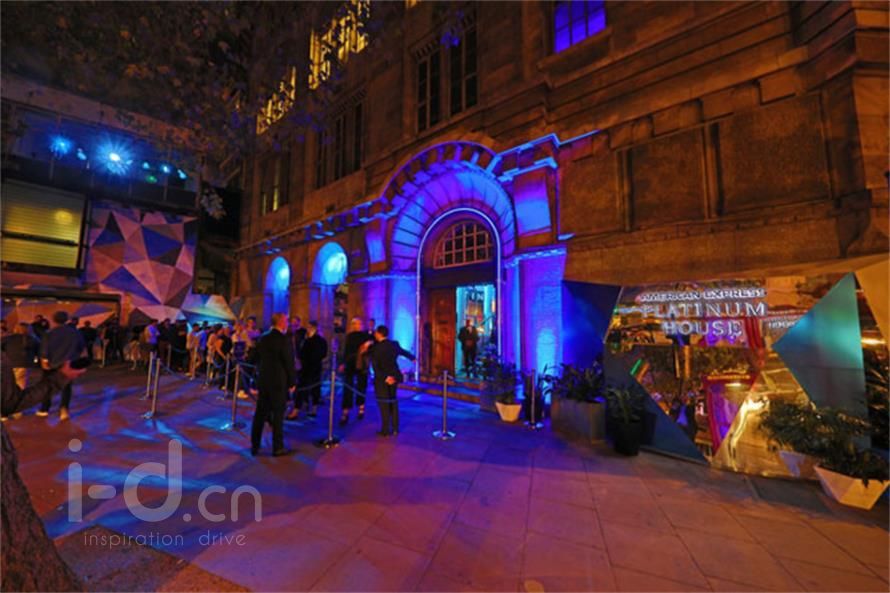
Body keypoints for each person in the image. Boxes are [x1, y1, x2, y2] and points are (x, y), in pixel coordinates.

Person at [250, 312, 296, 456]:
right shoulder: (283, 339)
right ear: (281, 322)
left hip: (264, 380)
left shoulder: (263, 338)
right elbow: (288, 362)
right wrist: (292, 382)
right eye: (286, 320)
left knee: (260, 413)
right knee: (278, 415)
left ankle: (255, 445)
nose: (287, 323)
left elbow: (255, 357)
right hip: (278, 382)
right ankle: (277, 447)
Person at [367, 325, 415, 437]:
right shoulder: (394, 344)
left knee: (384, 404)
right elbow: (403, 352)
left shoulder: (375, 348)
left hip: (382, 379)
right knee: (393, 401)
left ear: (379, 334)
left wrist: (385, 377)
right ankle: (395, 428)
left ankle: (385, 430)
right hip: (394, 376)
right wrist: (412, 358)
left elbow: (376, 367)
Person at [38, 311, 86, 421]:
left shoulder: (49, 333)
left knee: (48, 386)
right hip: (69, 363)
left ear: (53, 319)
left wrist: (44, 362)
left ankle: (44, 409)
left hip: (52, 364)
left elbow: (44, 350)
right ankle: (64, 409)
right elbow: (81, 347)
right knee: (66, 387)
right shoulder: (75, 333)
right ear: (67, 319)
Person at [1, 323, 41, 416]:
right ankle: (16, 411)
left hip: (8, 364)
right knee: (20, 387)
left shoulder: (8, 338)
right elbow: (39, 350)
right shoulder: (31, 339)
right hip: (23, 364)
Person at [339, 318, 373, 425]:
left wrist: (368, 345)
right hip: (350, 363)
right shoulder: (349, 336)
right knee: (347, 387)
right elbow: (346, 351)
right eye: (354, 323)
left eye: (359, 323)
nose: (357, 325)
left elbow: (372, 346)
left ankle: (361, 407)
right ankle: (346, 411)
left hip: (361, 364)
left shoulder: (366, 336)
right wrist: (342, 363)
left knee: (361, 385)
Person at [293, 321, 327, 419]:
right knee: (307, 388)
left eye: (309, 327)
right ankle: (306, 406)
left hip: (311, 367)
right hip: (308, 367)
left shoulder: (317, 341)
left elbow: (320, 353)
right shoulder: (307, 340)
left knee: (310, 388)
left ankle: (303, 409)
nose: (307, 329)